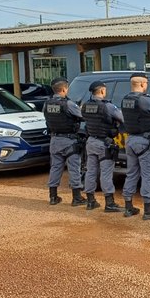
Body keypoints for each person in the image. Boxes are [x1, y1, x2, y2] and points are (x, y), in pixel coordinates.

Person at [121, 72, 150, 220]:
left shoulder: (125, 100)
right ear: (142, 84)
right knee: (148, 176)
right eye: (146, 84)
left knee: (131, 173)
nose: (146, 86)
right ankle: (148, 210)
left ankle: (128, 207)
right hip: (145, 142)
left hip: (130, 140)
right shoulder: (145, 100)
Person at [81, 80, 124, 212]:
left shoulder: (85, 105)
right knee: (105, 173)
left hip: (91, 141)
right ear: (101, 91)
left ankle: (90, 201)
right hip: (104, 143)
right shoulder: (108, 107)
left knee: (90, 171)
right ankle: (109, 203)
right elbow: (122, 118)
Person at [44, 76, 84, 206]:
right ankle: (76, 198)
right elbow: (82, 116)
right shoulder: (69, 104)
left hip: (54, 140)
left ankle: (53, 197)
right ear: (64, 89)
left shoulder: (47, 103)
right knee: (74, 168)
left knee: (55, 168)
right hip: (69, 141)